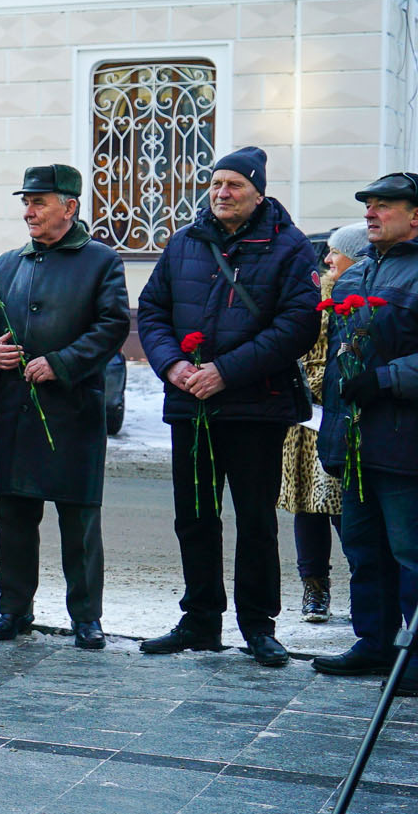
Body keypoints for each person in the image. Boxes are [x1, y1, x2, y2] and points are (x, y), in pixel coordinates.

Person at [137, 147, 320, 668]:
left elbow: (297, 327)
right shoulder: (184, 243)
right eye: (216, 184)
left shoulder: (290, 248)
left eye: (234, 185)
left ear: (258, 191)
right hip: (190, 406)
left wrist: (226, 371)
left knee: (256, 521)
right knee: (194, 517)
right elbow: (151, 310)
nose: (222, 193)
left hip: (255, 409)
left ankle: (259, 625)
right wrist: (173, 366)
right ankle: (200, 620)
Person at [0, 164, 130, 649]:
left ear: (70, 206)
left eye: (39, 202)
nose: (28, 212)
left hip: (74, 413)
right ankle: (12, 610)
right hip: (16, 411)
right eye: (26, 202)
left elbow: (112, 325)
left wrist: (62, 363)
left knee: (79, 522)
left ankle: (87, 617)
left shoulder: (101, 261)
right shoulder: (8, 263)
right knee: (13, 521)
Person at [313, 173, 418, 688]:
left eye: (384, 206)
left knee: (410, 553)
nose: (371, 214)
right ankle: (374, 643)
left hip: (405, 442)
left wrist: (387, 380)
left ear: (416, 215)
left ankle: (414, 658)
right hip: (355, 444)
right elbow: (337, 368)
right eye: (369, 206)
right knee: (363, 549)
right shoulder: (355, 278)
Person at [282, 222, 370, 621]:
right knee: (307, 507)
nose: (329, 259)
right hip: (306, 421)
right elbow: (296, 348)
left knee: (345, 508)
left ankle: (364, 586)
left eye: (337, 252)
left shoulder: (361, 295)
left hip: (344, 415)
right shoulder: (314, 295)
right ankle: (313, 587)